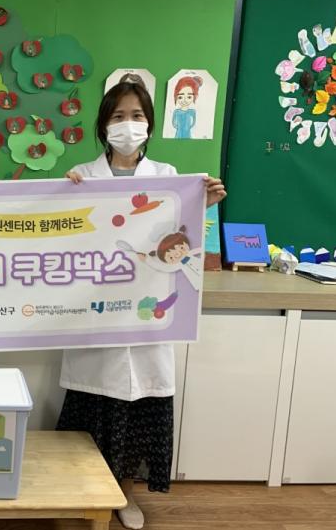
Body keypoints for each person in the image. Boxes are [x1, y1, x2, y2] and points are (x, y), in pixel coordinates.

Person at [58, 76, 225, 530]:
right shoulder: (82, 176)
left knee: (135, 414)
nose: (127, 125)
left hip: (149, 315)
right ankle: (89, 495)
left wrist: (204, 204)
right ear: (103, 125)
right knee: (93, 414)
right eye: (118, 116)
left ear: (149, 124)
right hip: (96, 316)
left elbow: (180, 242)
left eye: (136, 116)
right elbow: (63, 239)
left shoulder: (169, 179)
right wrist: (62, 195)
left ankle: (125, 496)